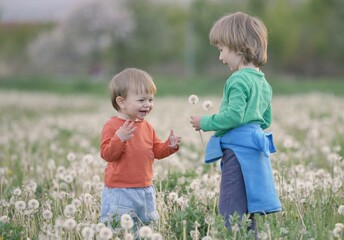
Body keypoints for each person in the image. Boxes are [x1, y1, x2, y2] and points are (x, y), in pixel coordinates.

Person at [190, 12, 282, 237]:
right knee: (248, 202)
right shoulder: (263, 81)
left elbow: (233, 117)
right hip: (256, 148)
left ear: (239, 47)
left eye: (222, 50)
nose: (220, 57)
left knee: (231, 204)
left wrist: (205, 122)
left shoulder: (237, 79)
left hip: (238, 151)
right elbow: (266, 119)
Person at [100, 68, 181, 227]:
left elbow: (156, 150)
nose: (148, 105)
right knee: (119, 229)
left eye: (151, 100)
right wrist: (119, 139)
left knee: (147, 226)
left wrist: (169, 146)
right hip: (120, 191)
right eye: (141, 100)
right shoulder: (112, 126)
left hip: (146, 189)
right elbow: (107, 154)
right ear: (121, 102)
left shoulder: (147, 126)